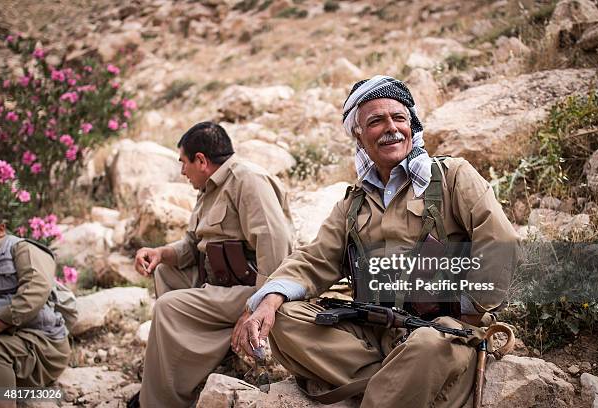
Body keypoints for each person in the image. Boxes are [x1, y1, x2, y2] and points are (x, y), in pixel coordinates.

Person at [236, 76, 520, 407]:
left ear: (412, 125)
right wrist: (268, 302)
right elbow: (314, 260)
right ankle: (403, 382)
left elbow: (501, 243)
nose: (392, 128)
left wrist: (468, 313)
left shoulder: (452, 177)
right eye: (376, 121)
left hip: (444, 329)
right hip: (376, 332)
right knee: (285, 319)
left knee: (427, 346)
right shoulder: (353, 203)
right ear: (358, 135)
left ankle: (399, 381)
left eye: (399, 118)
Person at [133, 121, 294, 407]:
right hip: (219, 282)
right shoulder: (209, 187)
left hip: (253, 289)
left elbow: (276, 247)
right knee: (166, 271)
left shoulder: (248, 180)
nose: (182, 171)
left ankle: (158, 401)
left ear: (201, 160)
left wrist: (255, 308)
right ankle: (182, 365)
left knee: (168, 307)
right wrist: (160, 253)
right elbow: (192, 244)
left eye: (183, 163)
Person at [0, 209, 72, 407]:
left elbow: (37, 287)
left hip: (45, 347)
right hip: (17, 345)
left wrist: (2, 321)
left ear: (0, 229)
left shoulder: (21, 249)